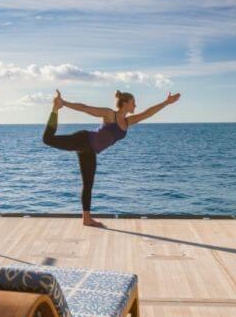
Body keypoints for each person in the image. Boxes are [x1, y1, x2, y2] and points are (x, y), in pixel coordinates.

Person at [42, 88, 181, 227]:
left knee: (88, 184)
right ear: (125, 103)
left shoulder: (127, 122)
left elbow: (148, 113)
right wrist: (63, 103)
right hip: (83, 139)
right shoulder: (110, 115)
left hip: (90, 151)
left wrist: (166, 103)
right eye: (133, 103)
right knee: (47, 139)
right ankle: (55, 109)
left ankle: (86, 219)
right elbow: (86, 108)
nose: (135, 106)